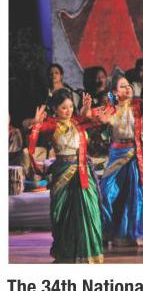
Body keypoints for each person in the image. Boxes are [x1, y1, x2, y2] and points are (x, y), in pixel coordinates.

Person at [28, 89, 104, 263]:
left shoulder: (78, 121)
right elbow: (32, 131)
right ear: (55, 109)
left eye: (70, 106)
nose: (68, 110)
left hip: (82, 172)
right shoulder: (51, 125)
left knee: (88, 211)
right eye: (63, 107)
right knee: (61, 213)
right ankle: (66, 253)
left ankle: (88, 253)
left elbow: (93, 119)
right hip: (62, 171)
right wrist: (35, 122)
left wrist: (86, 108)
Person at [99, 74, 143, 247]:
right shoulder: (111, 107)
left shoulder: (138, 105)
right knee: (106, 193)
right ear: (115, 92)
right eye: (122, 86)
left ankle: (133, 234)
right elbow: (101, 118)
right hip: (117, 154)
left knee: (138, 195)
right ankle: (107, 232)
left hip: (136, 154)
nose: (127, 88)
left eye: (128, 85)